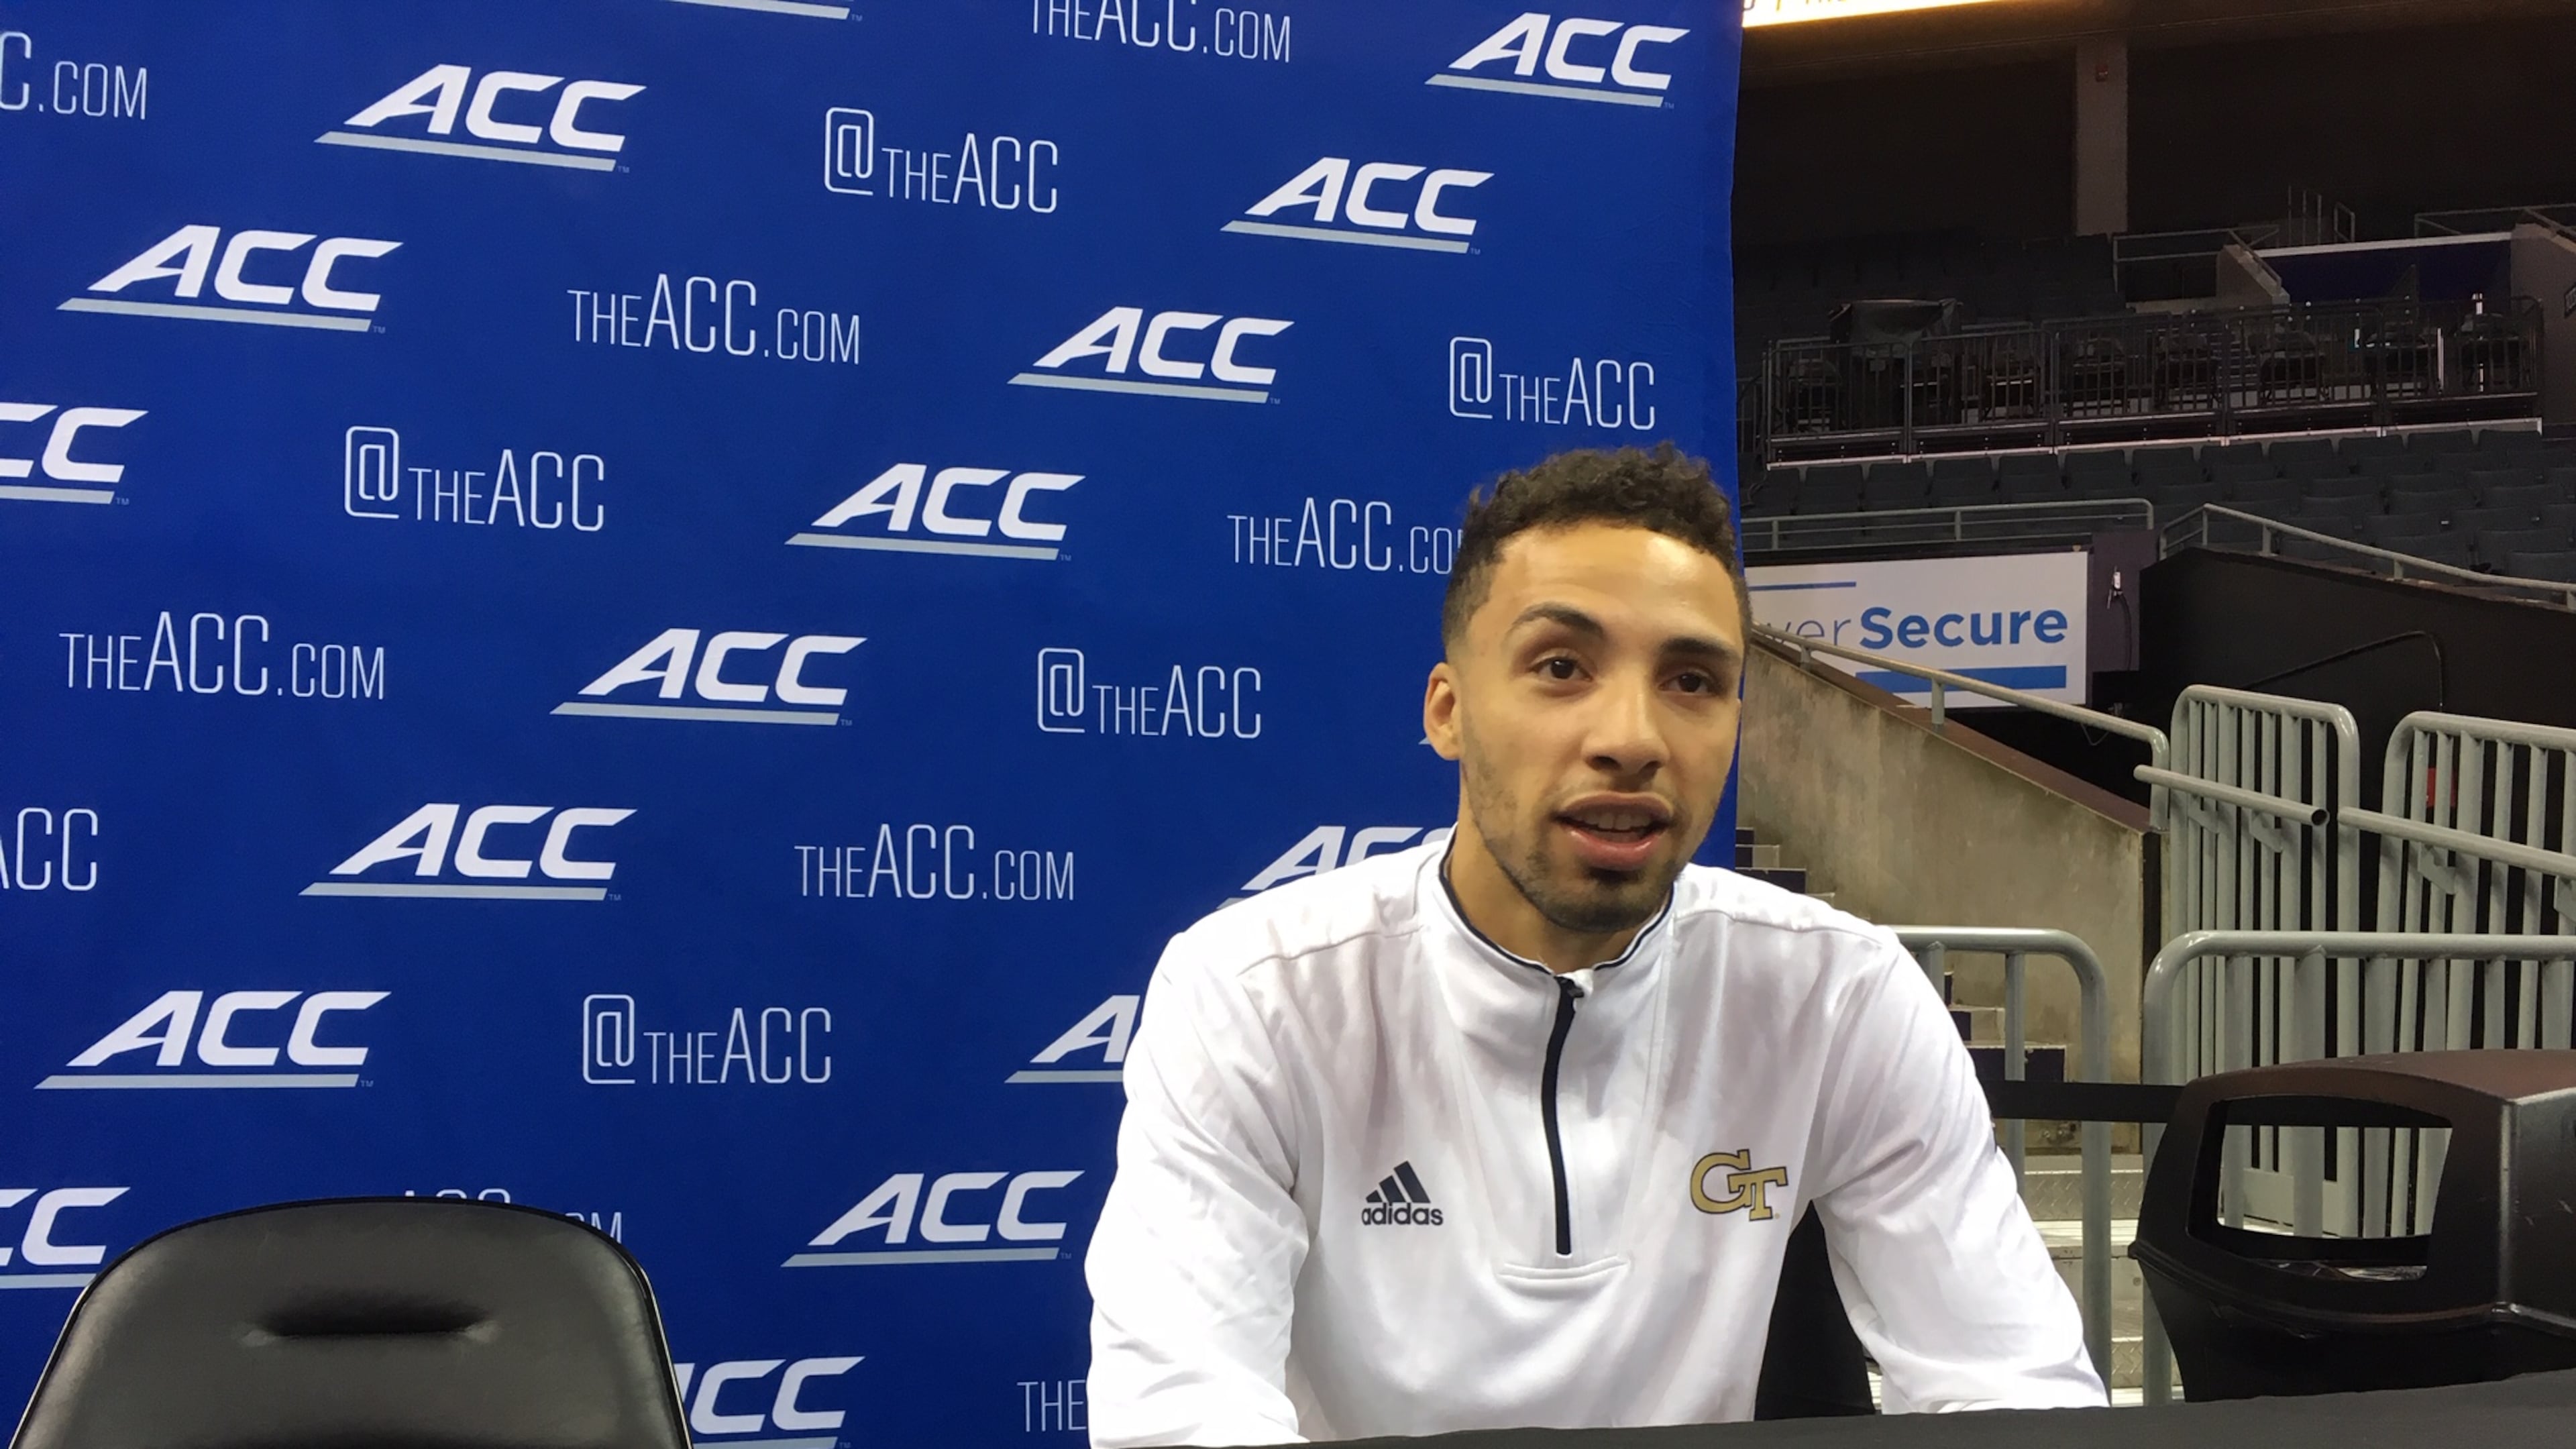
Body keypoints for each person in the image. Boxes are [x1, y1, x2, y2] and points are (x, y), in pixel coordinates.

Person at [1084, 445, 2104, 1445]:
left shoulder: (1840, 998)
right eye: (1561, 666)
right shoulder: (1255, 995)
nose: (1632, 736)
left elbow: (2011, 1388)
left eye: (1694, 681)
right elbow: (1184, 1411)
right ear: (1449, 711)